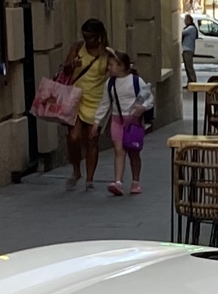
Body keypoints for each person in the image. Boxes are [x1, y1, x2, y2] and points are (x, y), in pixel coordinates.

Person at [61, 19, 115, 190]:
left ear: (99, 36)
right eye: (84, 36)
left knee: (92, 139)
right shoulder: (77, 47)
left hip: (96, 100)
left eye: (90, 37)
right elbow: (65, 69)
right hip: (76, 98)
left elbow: (115, 70)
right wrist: (72, 65)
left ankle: (90, 179)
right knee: (73, 138)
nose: (87, 40)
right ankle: (76, 170)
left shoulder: (106, 53)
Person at [105, 52, 153, 198]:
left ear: (122, 66)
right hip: (117, 120)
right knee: (119, 152)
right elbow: (104, 103)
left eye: (111, 65)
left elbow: (148, 97)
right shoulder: (110, 83)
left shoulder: (136, 81)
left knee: (134, 153)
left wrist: (143, 107)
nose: (108, 67)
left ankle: (135, 182)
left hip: (134, 122)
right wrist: (97, 122)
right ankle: (118, 182)